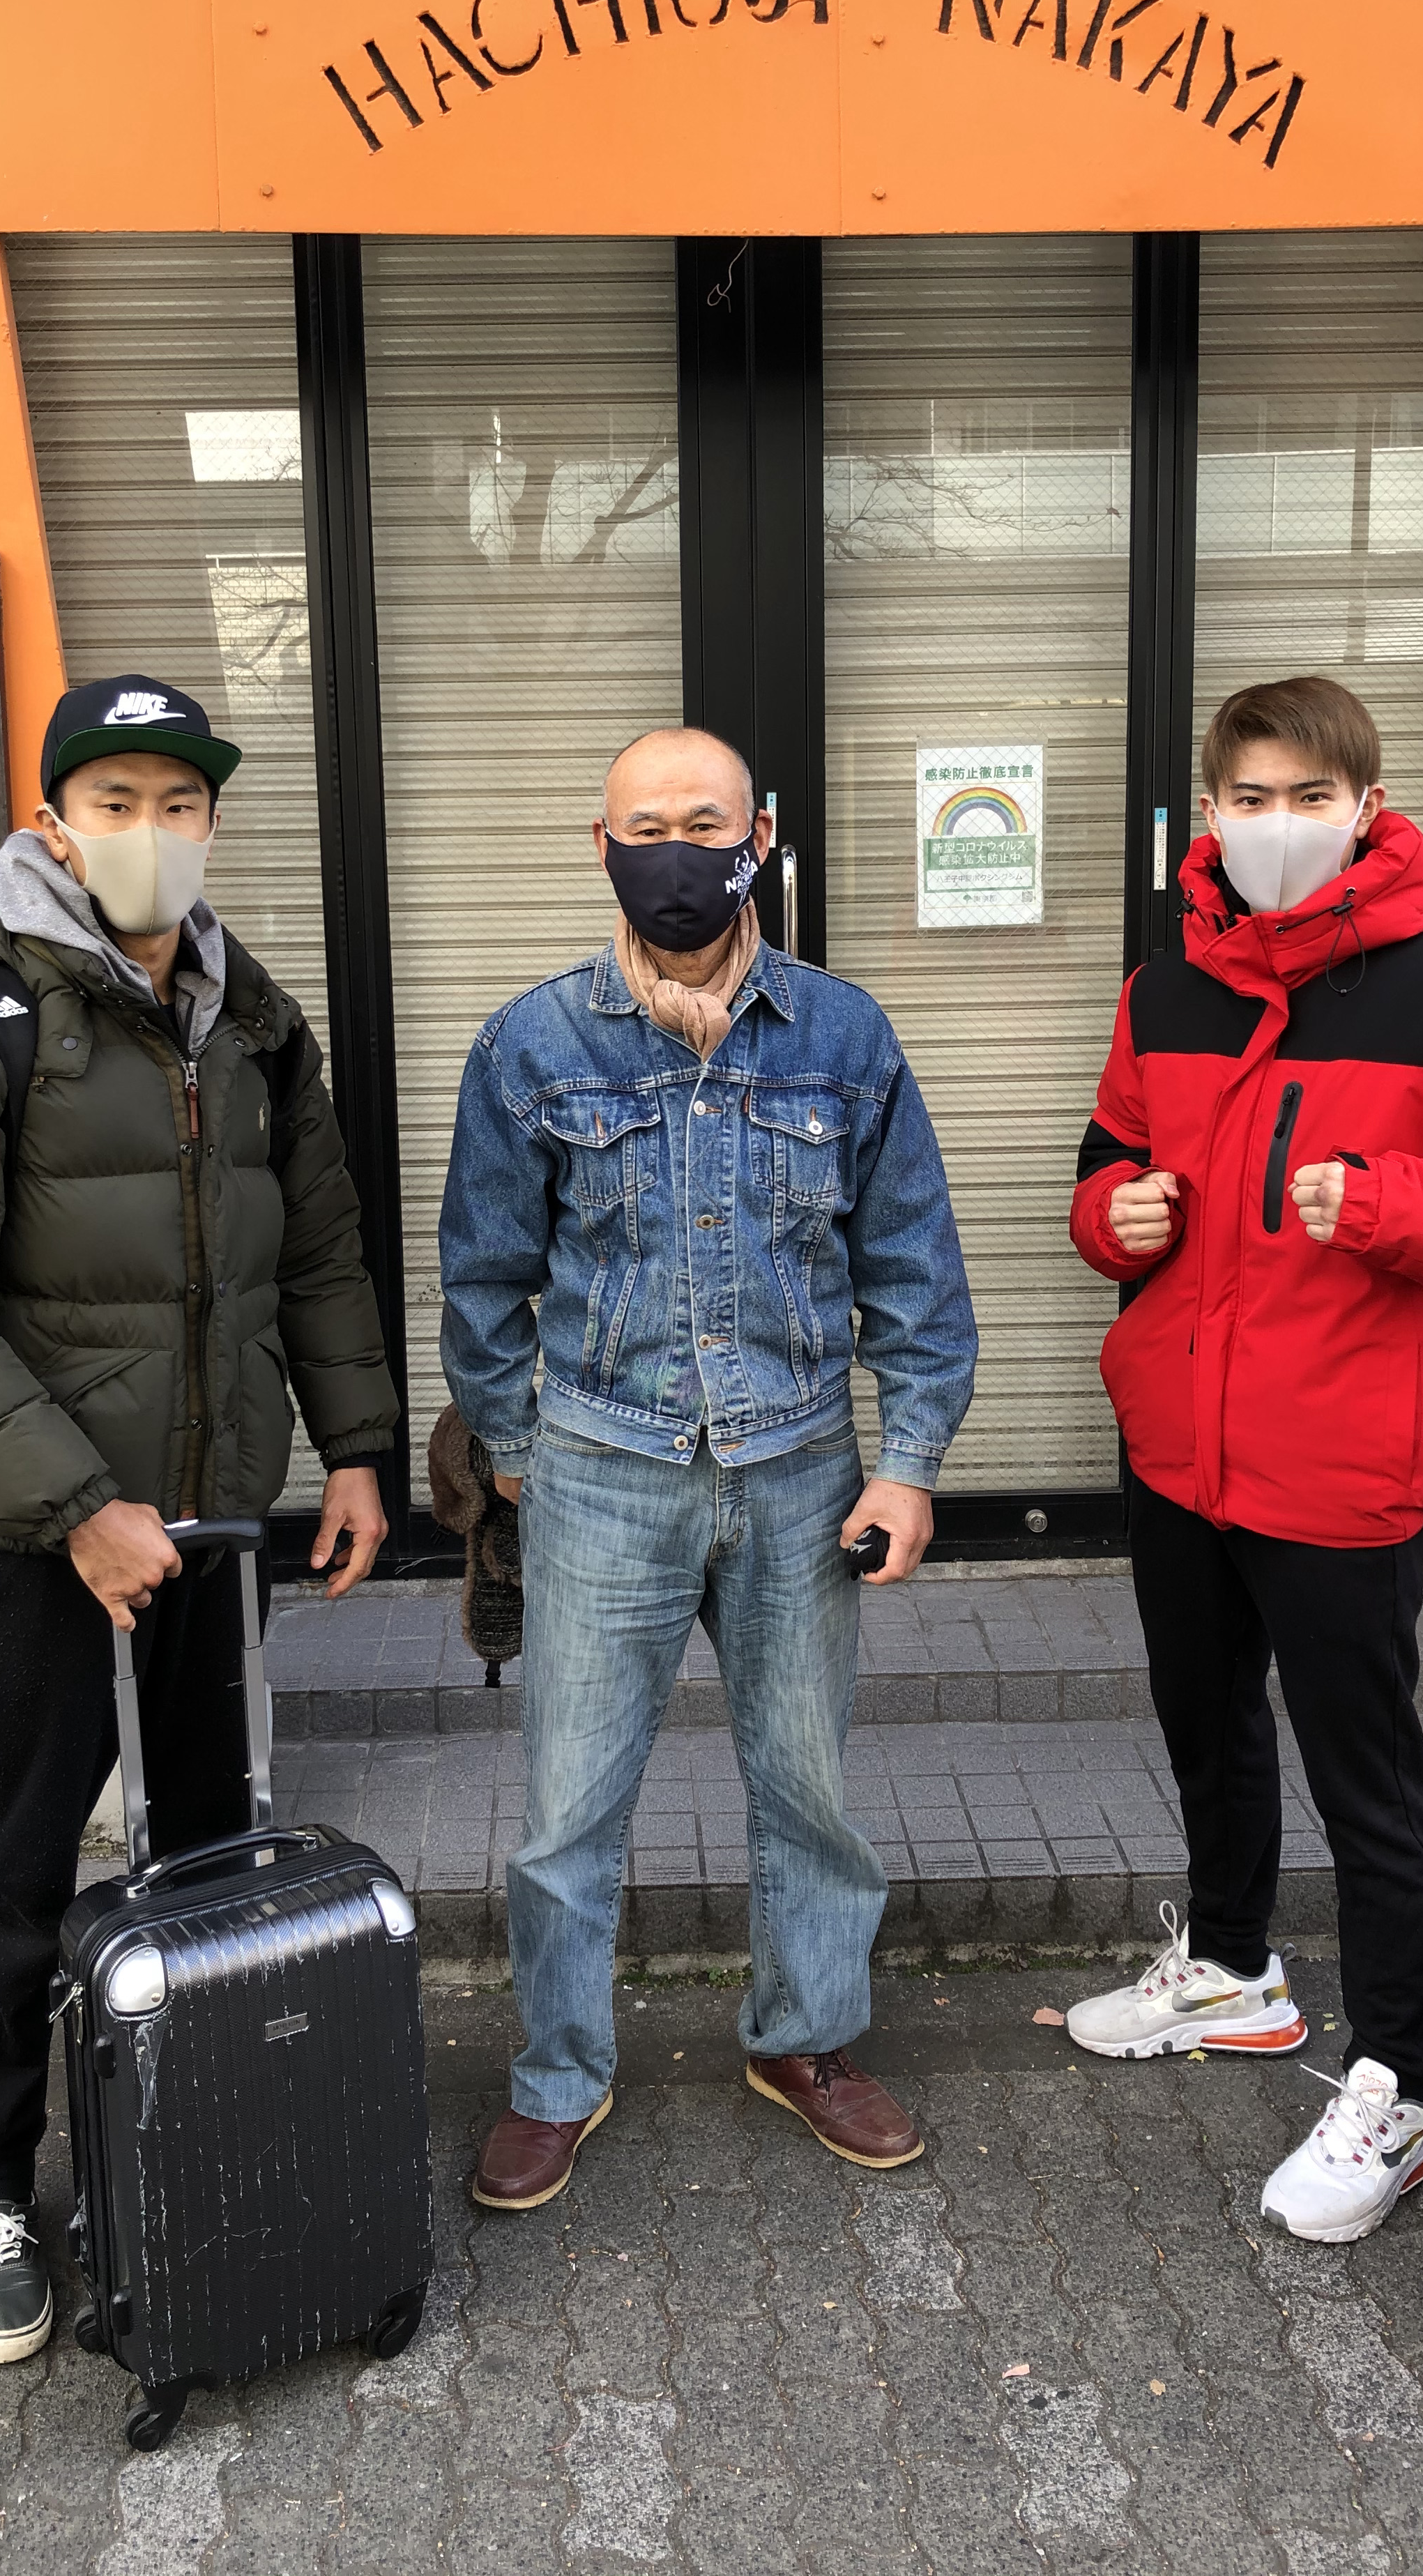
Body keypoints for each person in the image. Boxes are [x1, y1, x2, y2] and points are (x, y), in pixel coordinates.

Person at [0, 674, 397, 2361]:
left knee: (215, 1859)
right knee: (16, 1875)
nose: (151, 833)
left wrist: (356, 1448)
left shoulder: (255, 1024)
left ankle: (206, 2134)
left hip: (210, 1543)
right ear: (55, 823)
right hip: (31, 1550)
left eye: (180, 804)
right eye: (116, 803)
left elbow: (319, 1251)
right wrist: (79, 1508)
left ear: (212, 822)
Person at [1065, 676, 1423, 2243]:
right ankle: (1232, 1969)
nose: (1279, 825)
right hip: (1181, 1451)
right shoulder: (1165, 989)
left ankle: (1401, 2085)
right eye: (1251, 798)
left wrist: (1386, 1201)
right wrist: (1114, 1216)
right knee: (1206, 1726)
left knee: (1365, 1787)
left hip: (1347, 1468)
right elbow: (1106, 1169)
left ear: (1367, 810)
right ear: (1209, 815)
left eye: (1311, 798)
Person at [439, 726, 977, 2211]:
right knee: (567, 1812)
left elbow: (914, 1266)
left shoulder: (843, 1038)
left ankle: (804, 2039)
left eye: (704, 823)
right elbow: (481, 1279)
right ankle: (557, 2073)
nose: (674, 852)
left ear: (760, 837)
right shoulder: (532, 1044)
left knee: (807, 1791)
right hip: (602, 1471)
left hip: (800, 1469)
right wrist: (517, 1450)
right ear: (600, 846)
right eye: (645, 827)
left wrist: (909, 1461)